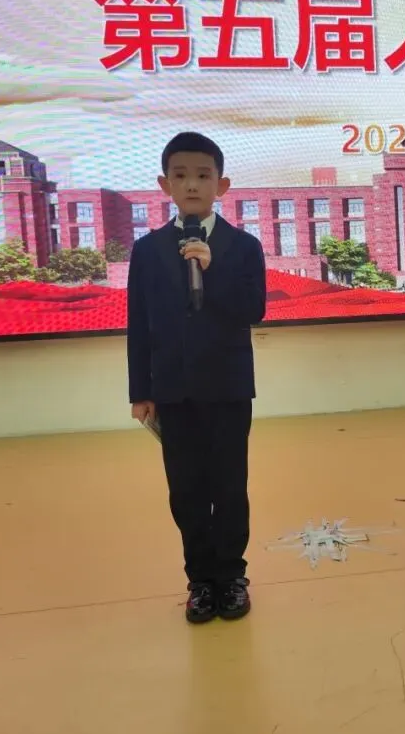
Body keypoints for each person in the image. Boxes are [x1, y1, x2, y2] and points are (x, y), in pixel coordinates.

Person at [127, 131, 267, 622]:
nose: (192, 185)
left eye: (203, 175)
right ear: (164, 184)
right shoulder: (147, 251)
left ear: (221, 185)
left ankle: (231, 577)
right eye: (181, 175)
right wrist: (140, 391)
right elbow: (139, 325)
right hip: (173, 390)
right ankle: (200, 581)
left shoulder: (243, 247)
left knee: (229, 486)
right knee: (186, 490)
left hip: (228, 388)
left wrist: (212, 270)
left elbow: (253, 309)